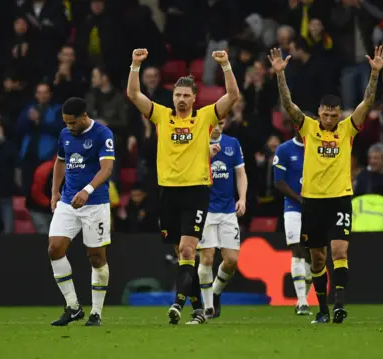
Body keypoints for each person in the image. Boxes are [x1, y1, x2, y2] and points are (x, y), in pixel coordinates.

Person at [268, 46, 383, 324]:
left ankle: (339, 304)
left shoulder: (348, 129)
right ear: (320, 113)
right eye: (326, 115)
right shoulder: (309, 128)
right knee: (318, 259)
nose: (330, 119)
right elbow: (288, 105)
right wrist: (280, 75)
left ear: (339, 115)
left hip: (340, 198)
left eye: (334, 115)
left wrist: (374, 73)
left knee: (339, 251)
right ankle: (321, 309)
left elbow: (367, 103)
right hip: (312, 201)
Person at [126, 48, 240, 324]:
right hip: (167, 192)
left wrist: (225, 65)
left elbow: (233, 96)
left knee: (189, 250)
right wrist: (135, 65)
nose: (181, 99)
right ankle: (199, 309)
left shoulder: (204, 118)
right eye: (178, 95)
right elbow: (133, 95)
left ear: (194, 98)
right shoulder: (161, 116)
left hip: (196, 191)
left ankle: (177, 304)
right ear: (172, 97)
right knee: (181, 254)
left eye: (186, 95)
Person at [48, 97, 115, 327]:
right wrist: (55, 192)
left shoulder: (103, 134)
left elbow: (107, 169)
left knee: (96, 257)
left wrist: (87, 191)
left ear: (84, 116)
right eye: (66, 123)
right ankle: (73, 307)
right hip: (67, 202)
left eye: (72, 123)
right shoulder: (65, 135)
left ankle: (96, 312)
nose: (69, 127)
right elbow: (59, 162)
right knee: (55, 248)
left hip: (95, 203)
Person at [190, 123, 247, 325]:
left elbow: (240, 173)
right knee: (206, 257)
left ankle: (214, 293)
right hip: (204, 209)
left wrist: (242, 198)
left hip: (228, 210)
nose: (218, 128)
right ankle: (207, 308)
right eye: (214, 124)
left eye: (222, 123)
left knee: (231, 260)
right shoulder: (196, 142)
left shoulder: (232, 143)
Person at [273, 130, 312, 315]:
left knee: (315, 256)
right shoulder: (284, 149)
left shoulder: (318, 149)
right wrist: (299, 199)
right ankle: (303, 301)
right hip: (293, 208)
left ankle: (303, 298)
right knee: (297, 250)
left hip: (316, 207)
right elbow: (279, 182)